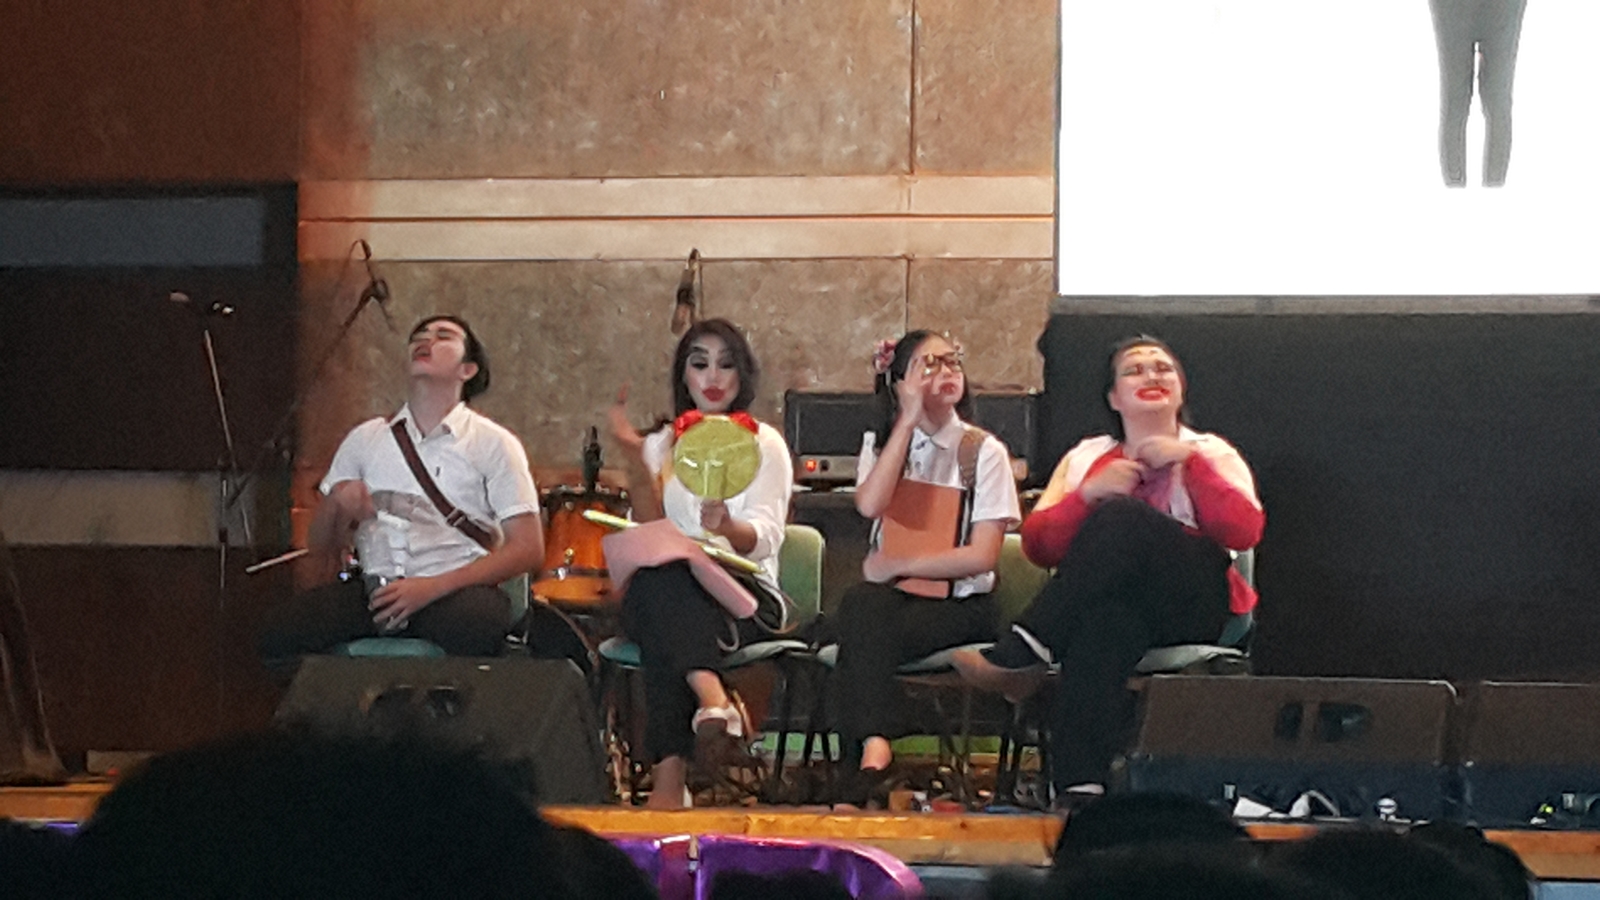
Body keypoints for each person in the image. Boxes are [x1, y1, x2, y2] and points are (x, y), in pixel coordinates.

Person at [953, 335, 1263, 804]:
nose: (1151, 375)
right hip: (1123, 606)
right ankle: (1080, 787)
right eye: (1135, 370)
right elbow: (1039, 548)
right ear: (1114, 397)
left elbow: (1243, 531)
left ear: (1181, 390)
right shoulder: (1086, 458)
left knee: (1122, 518)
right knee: (1104, 624)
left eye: (1163, 368)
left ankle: (1026, 647)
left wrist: (1192, 466)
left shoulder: (1209, 451)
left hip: (1192, 601)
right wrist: (1087, 496)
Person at [258, 315, 544, 661]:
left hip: (454, 591)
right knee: (280, 630)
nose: (426, 340)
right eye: (419, 335)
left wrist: (429, 589)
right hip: (376, 589)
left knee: (477, 623)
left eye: (443, 336)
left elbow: (528, 549)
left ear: (467, 369)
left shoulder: (493, 442)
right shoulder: (366, 438)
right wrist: (336, 503)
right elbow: (319, 546)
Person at [826, 330, 1021, 805]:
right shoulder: (885, 444)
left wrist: (900, 563)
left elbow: (982, 556)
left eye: (952, 361)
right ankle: (874, 752)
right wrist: (907, 421)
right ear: (899, 383)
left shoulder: (982, 451)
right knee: (860, 607)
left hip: (961, 604)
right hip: (895, 602)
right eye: (927, 365)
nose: (946, 372)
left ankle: (864, 764)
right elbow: (870, 505)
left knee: (858, 630)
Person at [607, 319, 793, 809]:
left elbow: (766, 538)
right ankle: (712, 699)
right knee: (661, 582)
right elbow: (647, 530)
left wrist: (728, 527)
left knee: (658, 603)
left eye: (725, 365)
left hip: (742, 594)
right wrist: (636, 464)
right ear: (683, 376)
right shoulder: (661, 443)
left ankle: (669, 780)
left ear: (742, 375)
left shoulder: (763, 442)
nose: (712, 377)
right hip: (672, 586)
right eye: (699, 364)